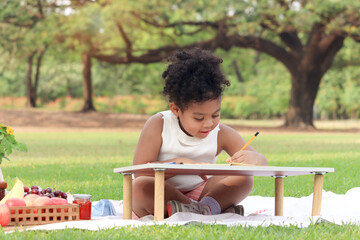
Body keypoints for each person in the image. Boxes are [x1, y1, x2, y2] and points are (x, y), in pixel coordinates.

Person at [132, 48, 268, 218]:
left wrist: (254, 159)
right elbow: (139, 172)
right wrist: (179, 165)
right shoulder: (159, 124)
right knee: (140, 186)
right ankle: (204, 210)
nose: (209, 124)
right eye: (198, 118)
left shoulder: (221, 132)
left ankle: (200, 209)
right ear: (175, 109)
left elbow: (262, 161)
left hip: (204, 193)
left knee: (243, 179)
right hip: (163, 192)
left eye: (215, 115)